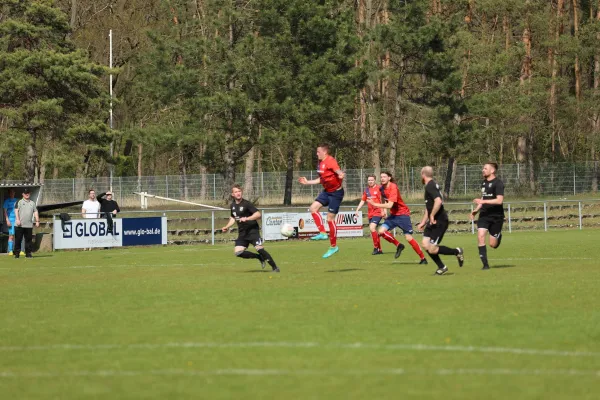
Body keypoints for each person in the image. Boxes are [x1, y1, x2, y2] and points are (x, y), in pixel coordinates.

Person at [366, 171, 428, 264]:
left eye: (384, 177)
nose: (382, 178)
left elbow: (390, 205)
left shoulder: (393, 187)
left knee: (408, 238)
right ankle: (399, 245)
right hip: (394, 215)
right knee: (381, 231)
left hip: (403, 215)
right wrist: (384, 210)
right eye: (381, 177)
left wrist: (375, 204)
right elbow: (383, 198)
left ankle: (423, 258)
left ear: (389, 178)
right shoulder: (382, 188)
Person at [298, 143, 345, 259]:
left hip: (336, 193)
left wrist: (341, 175)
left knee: (330, 218)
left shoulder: (330, 160)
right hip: (327, 191)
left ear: (324, 152)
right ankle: (323, 233)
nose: (316, 153)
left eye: (318, 152)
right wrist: (308, 182)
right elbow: (322, 179)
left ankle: (333, 247)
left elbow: (338, 171)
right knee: (313, 208)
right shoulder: (321, 163)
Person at [221, 184, 280, 273]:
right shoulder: (232, 206)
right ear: (232, 194)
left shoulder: (246, 204)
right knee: (238, 252)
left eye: (239, 191)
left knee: (260, 249)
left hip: (253, 231)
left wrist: (247, 218)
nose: (238, 193)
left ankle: (275, 268)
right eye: (236, 192)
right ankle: (258, 257)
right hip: (242, 233)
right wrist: (226, 226)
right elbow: (233, 218)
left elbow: (258, 214)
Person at [416, 166, 464, 275]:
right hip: (433, 221)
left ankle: (457, 251)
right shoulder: (430, 185)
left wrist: (432, 216)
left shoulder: (430, 186)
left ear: (423, 174)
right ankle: (442, 267)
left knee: (432, 249)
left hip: (440, 221)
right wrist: (423, 221)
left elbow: (438, 201)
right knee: (425, 244)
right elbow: (429, 207)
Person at [470, 162, 505, 270]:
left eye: (485, 168)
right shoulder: (484, 183)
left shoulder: (498, 183)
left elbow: (499, 201)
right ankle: (485, 265)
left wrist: (482, 201)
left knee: (493, 245)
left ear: (492, 171)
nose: (483, 170)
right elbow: (483, 198)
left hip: (496, 216)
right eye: (483, 168)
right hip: (484, 215)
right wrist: (476, 210)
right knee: (480, 236)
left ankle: (498, 236)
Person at [354, 175, 386, 255]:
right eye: (369, 180)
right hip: (370, 213)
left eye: (372, 180)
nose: (370, 181)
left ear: (375, 180)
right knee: (374, 232)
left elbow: (384, 200)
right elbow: (362, 200)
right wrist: (357, 209)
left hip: (378, 212)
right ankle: (380, 249)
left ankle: (375, 248)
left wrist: (384, 211)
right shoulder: (367, 190)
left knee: (372, 228)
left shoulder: (379, 188)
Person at [13, 188, 40, 259]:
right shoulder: (19, 202)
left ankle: (28, 254)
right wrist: (18, 220)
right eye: (25, 193)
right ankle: (17, 254)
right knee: (18, 239)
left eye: (28, 193)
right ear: (23, 194)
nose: (27, 194)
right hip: (19, 225)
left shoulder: (32, 203)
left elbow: (35, 212)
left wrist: (37, 221)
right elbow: (16, 211)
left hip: (28, 225)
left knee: (28, 240)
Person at [3, 188, 20, 255]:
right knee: (11, 235)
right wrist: (7, 220)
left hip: (17, 219)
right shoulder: (7, 201)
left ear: (14, 193)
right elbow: (5, 211)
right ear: (9, 193)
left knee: (19, 235)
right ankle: (10, 250)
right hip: (11, 220)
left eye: (13, 192)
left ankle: (19, 250)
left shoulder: (17, 201)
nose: (12, 194)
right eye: (10, 192)